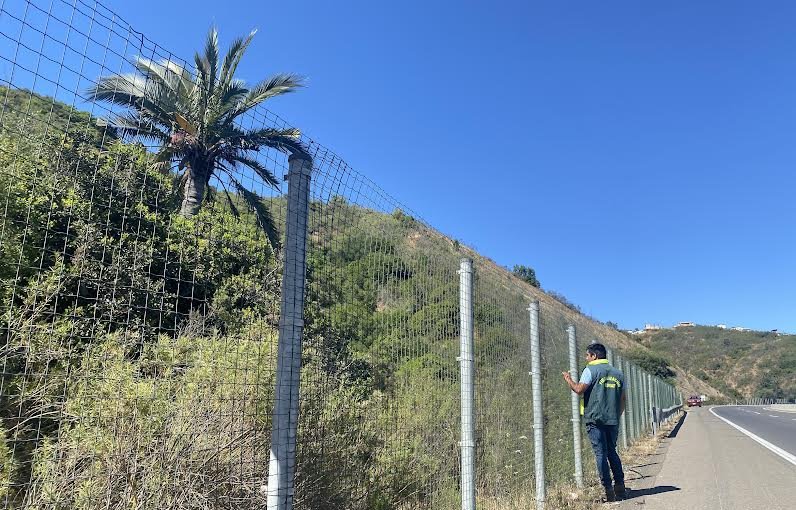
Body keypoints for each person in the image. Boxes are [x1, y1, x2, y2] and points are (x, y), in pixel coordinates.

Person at [562, 342, 627, 502]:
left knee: (600, 453)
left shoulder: (590, 370)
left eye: (587, 355)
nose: (586, 358)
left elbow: (579, 390)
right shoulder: (619, 374)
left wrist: (568, 379)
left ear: (594, 356)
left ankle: (608, 489)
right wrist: (616, 416)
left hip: (594, 419)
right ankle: (620, 487)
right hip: (612, 420)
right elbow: (623, 399)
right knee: (612, 452)